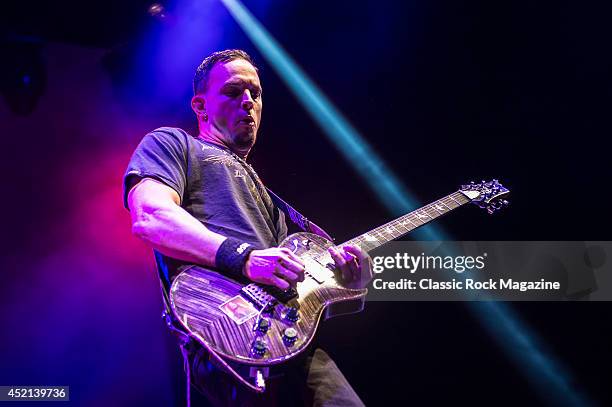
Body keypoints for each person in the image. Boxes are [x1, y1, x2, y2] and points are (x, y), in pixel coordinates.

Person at [123, 49, 372, 406]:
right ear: (200, 105)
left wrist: (351, 281)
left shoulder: (266, 197)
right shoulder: (175, 145)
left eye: (255, 93)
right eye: (233, 91)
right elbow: (151, 216)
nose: (248, 102)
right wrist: (245, 258)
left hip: (292, 339)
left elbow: (308, 282)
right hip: (226, 337)